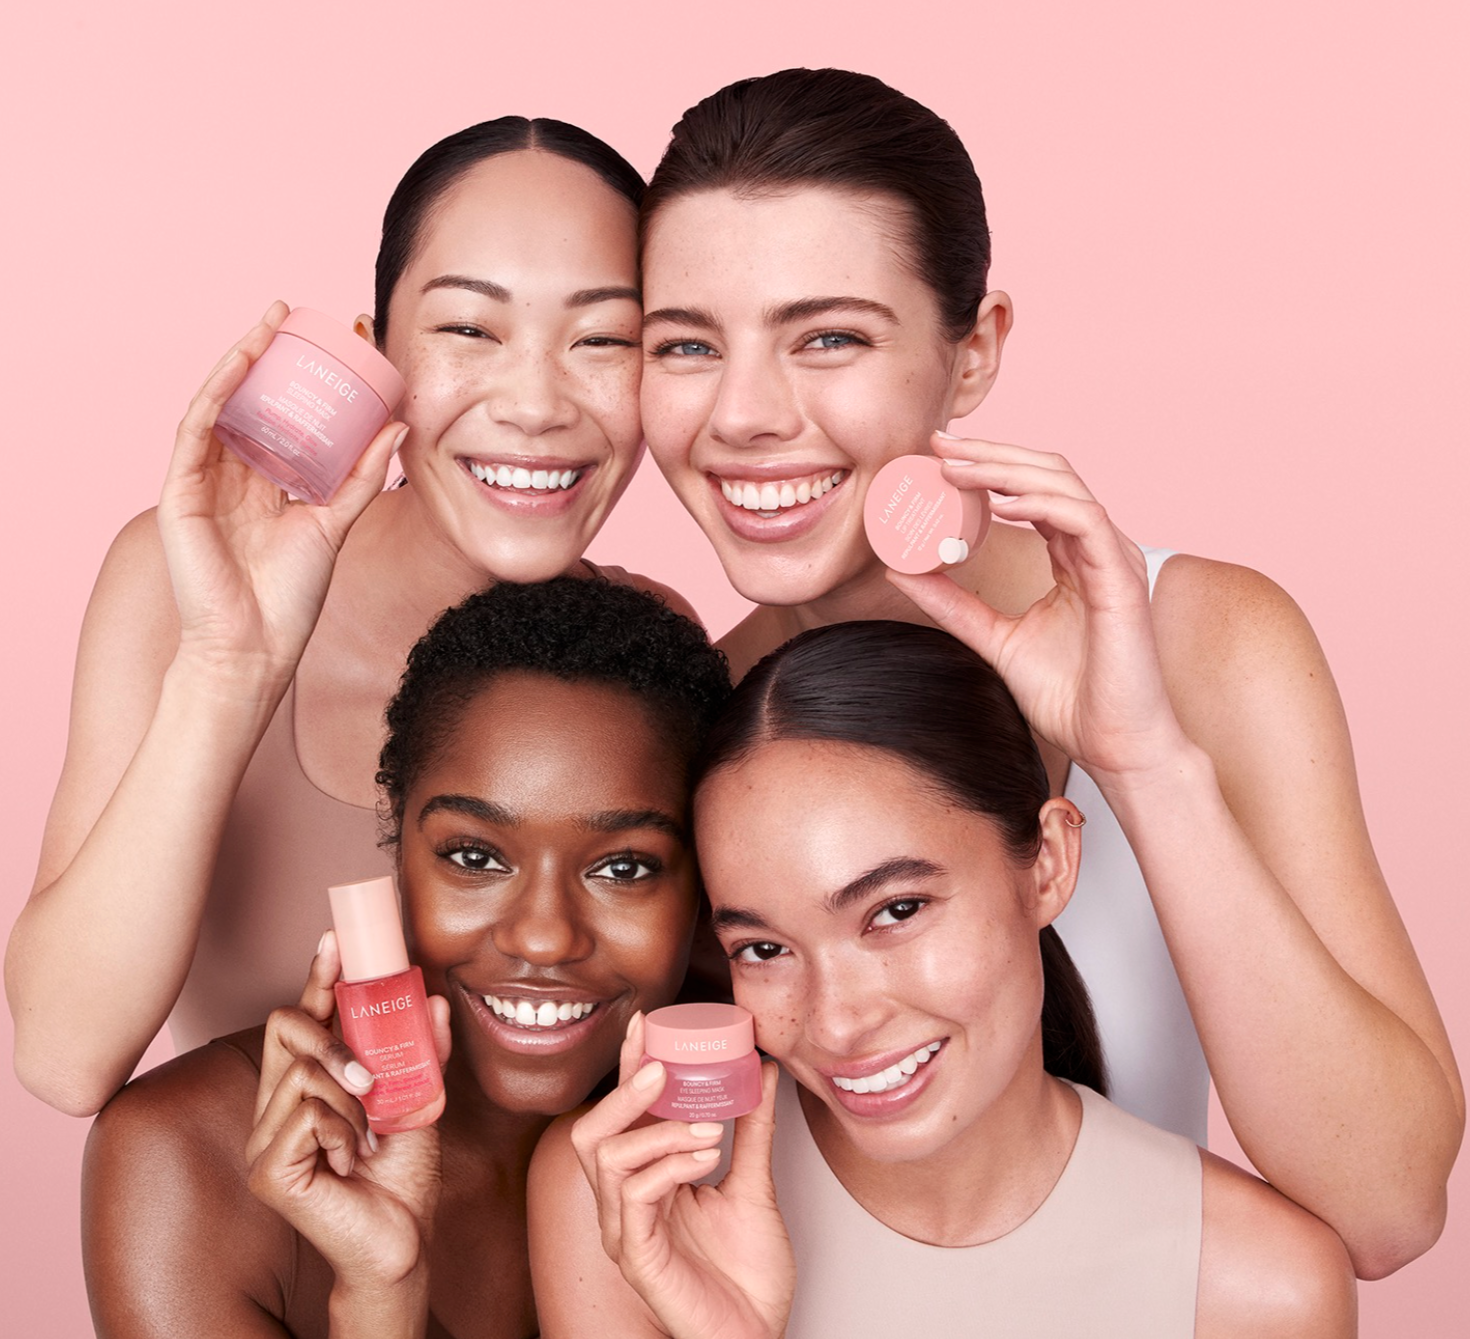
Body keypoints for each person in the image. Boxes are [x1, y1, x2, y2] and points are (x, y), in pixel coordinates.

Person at [629, 67, 1460, 1274]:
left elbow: (1388, 1212)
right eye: (687, 344)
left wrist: (1140, 758)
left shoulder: (1205, 643)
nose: (745, 414)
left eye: (830, 338)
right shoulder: (694, 719)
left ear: (973, 354)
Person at [8, 116, 682, 1118]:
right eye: (469, 329)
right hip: (257, 1264)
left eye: (603, 341)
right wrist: (230, 665)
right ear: (380, 359)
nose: (536, 404)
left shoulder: (645, 644)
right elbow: (64, 1057)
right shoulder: (186, 579)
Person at [530, 619, 1355, 1337]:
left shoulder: (1259, 1290)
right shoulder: (628, 1199)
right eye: (765, 949)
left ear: (1050, 864)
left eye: (896, 910)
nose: (838, 1022)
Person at [82, 576, 731, 1338]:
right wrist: (379, 1292)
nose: (545, 936)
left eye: (623, 867)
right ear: (398, 846)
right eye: (476, 856)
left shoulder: (741, 1138)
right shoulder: (184, 1162)